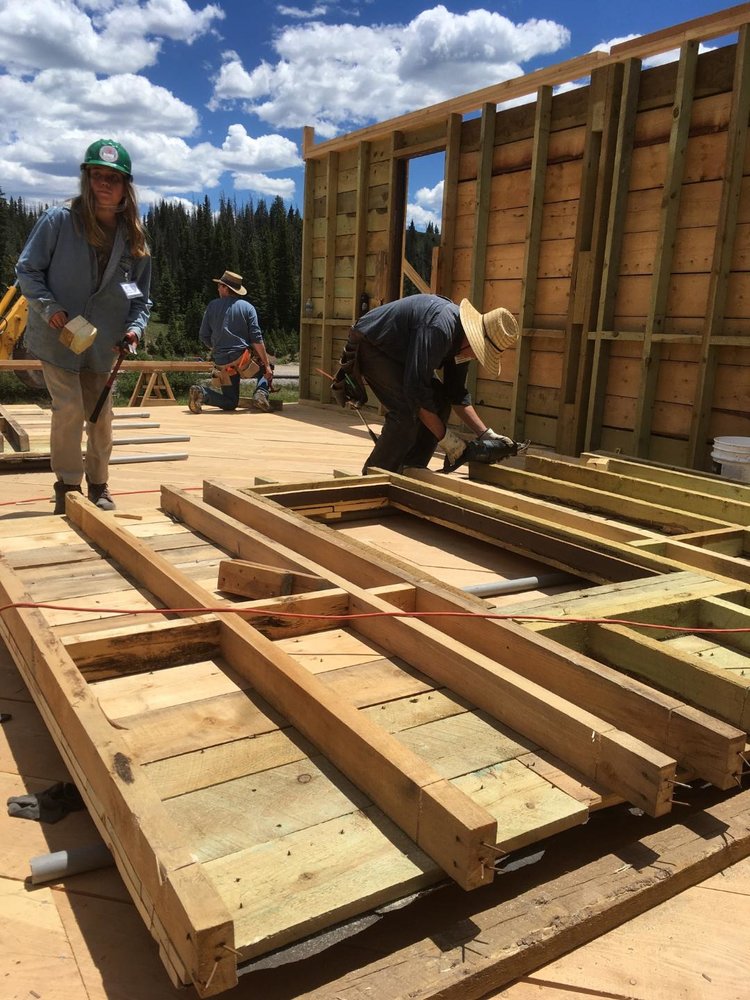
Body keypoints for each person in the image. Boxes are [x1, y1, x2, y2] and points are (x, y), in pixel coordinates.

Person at [16, 138, 151, 514]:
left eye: (113, 178)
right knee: (70, 408)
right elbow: (27, 269)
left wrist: (135, 330)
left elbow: (141, 298)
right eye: (96, 176)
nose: (104, 184)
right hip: (57, 337)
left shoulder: (134, 238)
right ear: (86, 179)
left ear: (127, 185)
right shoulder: (59, 220)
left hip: (104, 344)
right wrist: (49, 308)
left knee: (102, 415)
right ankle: (68, 484)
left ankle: (100, 484)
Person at [331, 293, 527, 474]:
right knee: (406, 412)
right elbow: (415, 390)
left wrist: (486, 434)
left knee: (440, 401)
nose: (478, 358)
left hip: (399, 351)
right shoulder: (440, 328)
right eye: (481, 353)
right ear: (474, 340)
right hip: (372, 341)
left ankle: (410, 470)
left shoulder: (463, 347)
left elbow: (456, 393)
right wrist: (449, 442)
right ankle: (373, 479)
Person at [188, 271, 273, 413]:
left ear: (226, 288)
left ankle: (202, 393)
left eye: (220, 286)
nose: (218, 288)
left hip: (222, 362)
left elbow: (203, 335)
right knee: (267, 368)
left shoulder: (212, 306)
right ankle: (261, 394)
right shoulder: (247, 307)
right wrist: (267, 364)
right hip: (242, 360)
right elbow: (256, 339)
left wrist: (215, 347)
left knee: (230, 401)